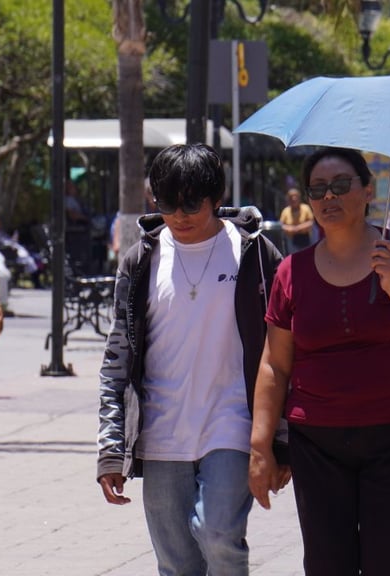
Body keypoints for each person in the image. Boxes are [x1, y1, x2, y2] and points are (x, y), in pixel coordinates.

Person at [249, 147, 390, 576]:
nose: (330, 197)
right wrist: (260, 446)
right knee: (328, 566)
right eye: (319, 189)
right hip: (317, 444)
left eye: (341, 185)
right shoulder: (292, 271)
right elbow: (275, 365)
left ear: (368, 191)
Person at [97, 143, 283, 576]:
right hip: (161, 432)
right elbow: (117, 359)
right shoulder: (141, 260)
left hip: (234, 422)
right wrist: (111, 449)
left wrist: (281, 441)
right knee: (177, 564)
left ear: (217, 198)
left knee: (218, 535)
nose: (179, 215)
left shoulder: (255, 254)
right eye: (167, 203)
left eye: (192, 202)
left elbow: (284, 350)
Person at [278, 187, 315, 253]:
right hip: (291, 240)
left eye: (295, 196)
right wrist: (291, 229)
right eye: (291, 197)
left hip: (305, 238)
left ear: (299, 198)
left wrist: (297, 228)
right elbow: (281, 225)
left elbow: (311, 222)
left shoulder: (305, 208)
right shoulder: (285, 211)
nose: (293, 199)